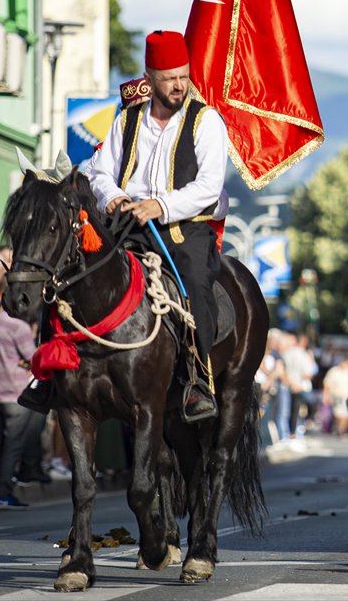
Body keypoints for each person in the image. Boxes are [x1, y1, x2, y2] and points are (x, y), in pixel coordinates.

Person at [84, 30, 229, 421]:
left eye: (183, 76)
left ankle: (198, 378)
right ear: (149, 79)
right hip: (126, 226)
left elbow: (209, 187)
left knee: (194, 285)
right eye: (170, 78)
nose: (179, 85)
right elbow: (98, 171)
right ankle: (54, 373)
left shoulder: (206, 121)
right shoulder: (127, 119)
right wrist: (111, 195)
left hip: (183, 229)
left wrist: (160, 205)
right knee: (76, 272)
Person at [0, 256, 39, 510]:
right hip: (16, 393)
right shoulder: (20, 328)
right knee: (12, 447)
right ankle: (4, 491)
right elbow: (34, 359)